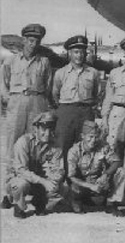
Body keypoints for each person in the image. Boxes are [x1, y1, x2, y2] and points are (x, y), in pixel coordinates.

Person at [1, 24, 53, 209]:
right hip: (17, 104)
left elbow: (48, 85)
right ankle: (9, 192)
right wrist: (10, 100)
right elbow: (3, 83)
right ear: (24, 40)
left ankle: (35, 191)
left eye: (37, 41)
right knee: (12, 147)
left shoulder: (44, 62)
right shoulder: (11, 61)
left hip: (37, 103)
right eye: (30, 40)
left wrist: (39, 102)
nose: (33, 44)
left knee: (35, 148)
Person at [5, 112, 67, 218]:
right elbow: (21, 170)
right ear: (36, 129)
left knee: (64, 188)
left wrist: (54, 179)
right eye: (44, 129)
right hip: (20, 178)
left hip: (40, 182)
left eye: (50, 129)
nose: (47, 133)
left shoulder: (56, 145)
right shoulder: (23, 142)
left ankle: (40, 201)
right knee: (21, 185)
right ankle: (17, 203)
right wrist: (43, 181)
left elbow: (58, 169)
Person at [52, 35, 101, 168]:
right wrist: (65, 108)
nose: (79, 55)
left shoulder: (93, 73)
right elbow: (55, 94)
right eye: (76, 52)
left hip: (86, 112)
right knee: (62, 144)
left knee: (85, 145)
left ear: (86, 53)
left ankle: (80, 179)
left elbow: (97, 93)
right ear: (69, 53)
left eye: (82, 52)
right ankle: (62, 177)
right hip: (66, 112)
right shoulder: (60, 73)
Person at [67, 121, 125, 216]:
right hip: (83, 188)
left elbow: (116, 161)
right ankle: (77, 202)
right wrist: (90, 186)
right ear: (82, 136)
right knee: (74, 187)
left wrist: (106, 174)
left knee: (121, 171)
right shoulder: (74, 151)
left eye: (96, 137)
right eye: (90, 137)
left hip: (99, 186)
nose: (93, 140)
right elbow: (72, 177)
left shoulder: (103, 146)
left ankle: (112, 203)